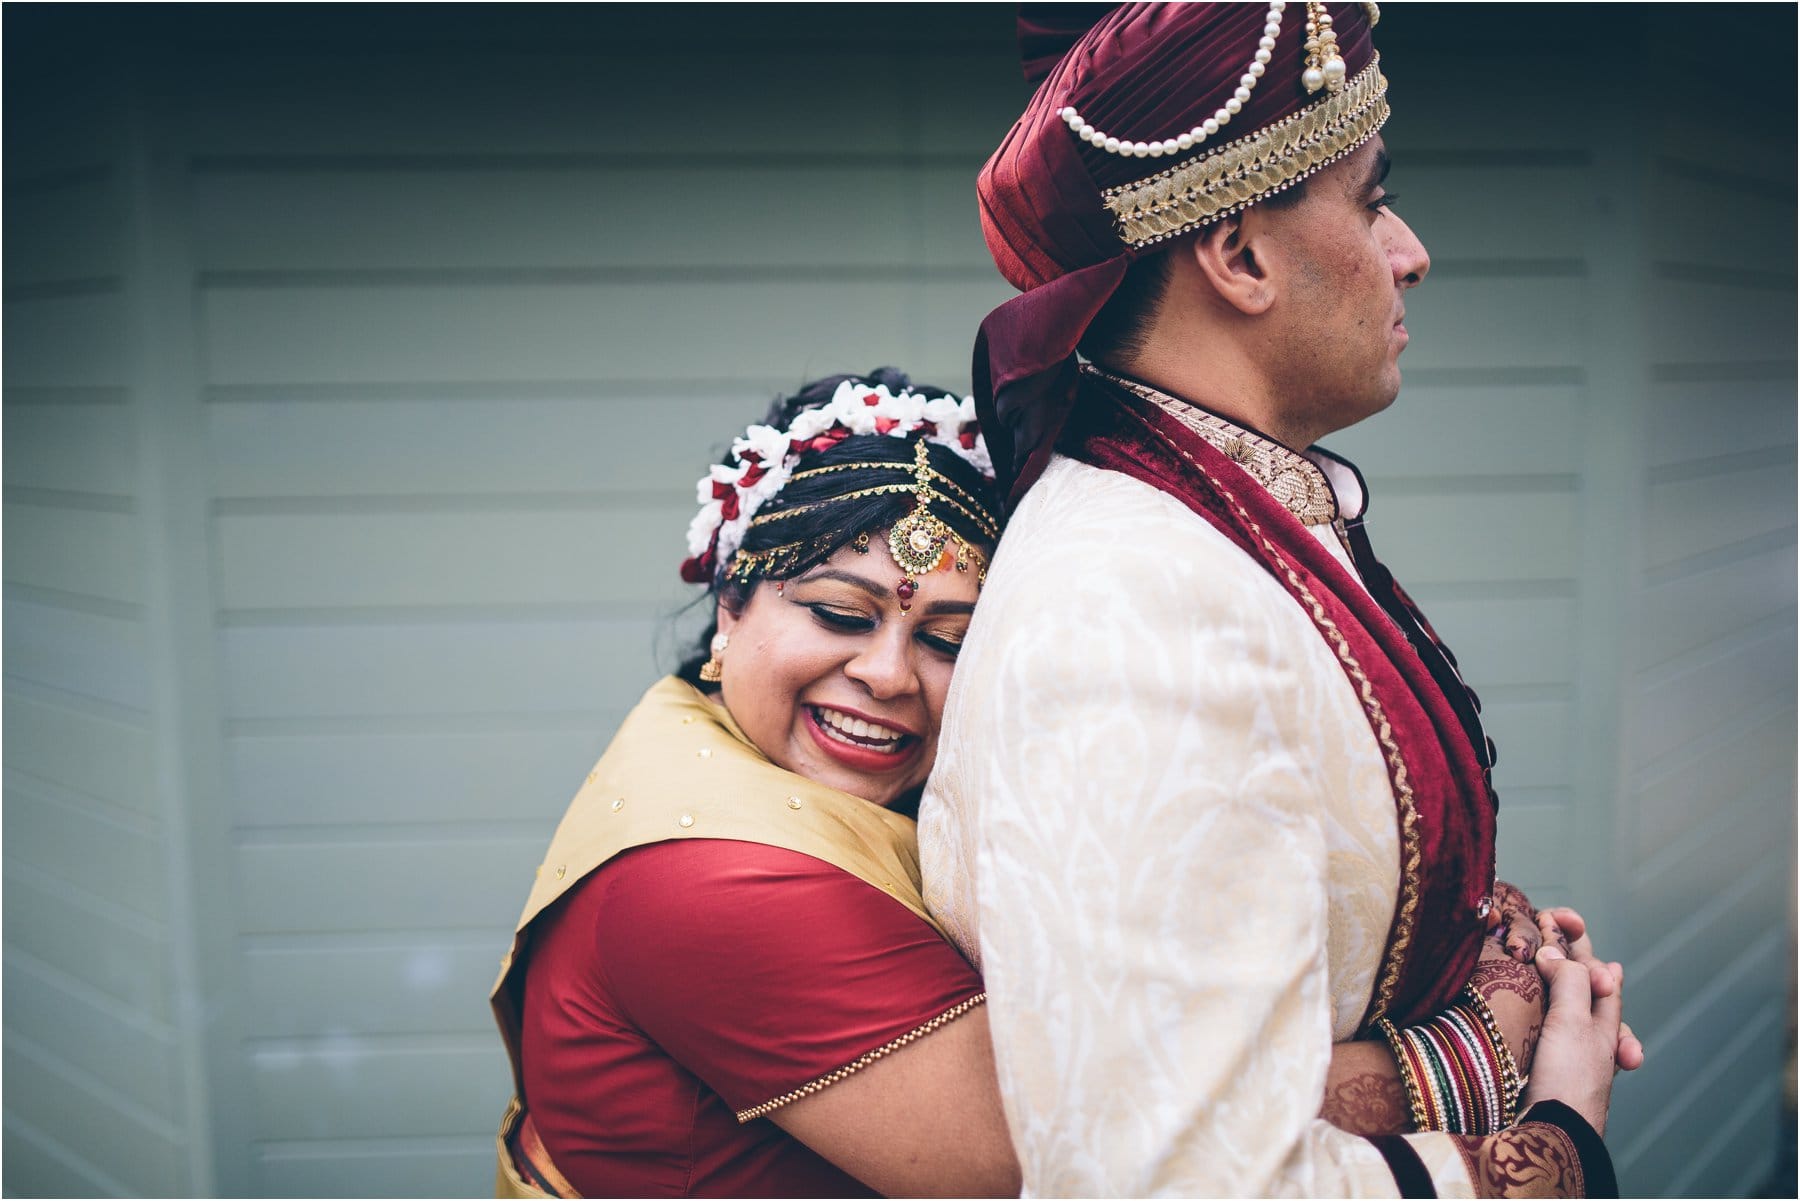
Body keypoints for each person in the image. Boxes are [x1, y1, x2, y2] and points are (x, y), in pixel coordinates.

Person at [920, 4, 1637, 1196]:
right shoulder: (1138, 611)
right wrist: (1557, 1137)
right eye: (1369, 201)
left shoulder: (1224, 513)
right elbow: (1173, 1180)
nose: (1411, 252)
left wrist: (1490, 952)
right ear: (1241, 256)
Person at [488, 370, 1020, 1198]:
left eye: (947, 641)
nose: (887, 675)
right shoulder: (723, 881)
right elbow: (1040, 1165)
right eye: (842, 614)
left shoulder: (693, 737)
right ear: (731, 606)